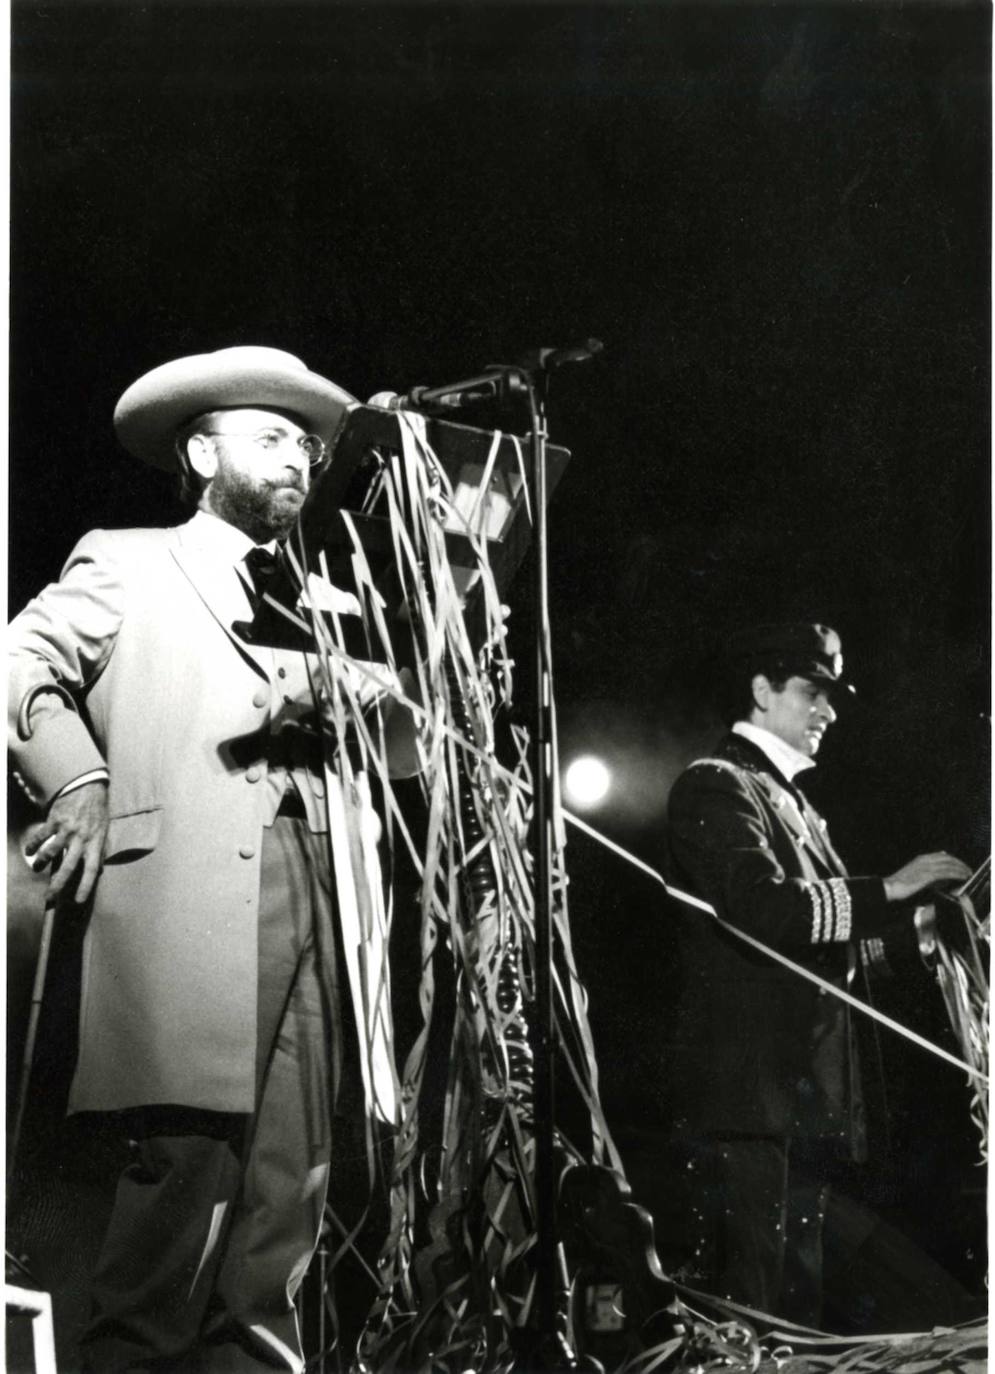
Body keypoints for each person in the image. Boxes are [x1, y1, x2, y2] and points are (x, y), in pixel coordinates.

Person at [8, 345, 419, 1372]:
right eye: (272, 437)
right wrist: (75, 779)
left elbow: (411, 749)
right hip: (191, 928)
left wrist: (400, 691)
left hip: (326, 910)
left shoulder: (330, 604)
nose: (298, 459)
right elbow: (17, 663)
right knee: (172, 1224)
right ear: (201, 451)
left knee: (283, 1221)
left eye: (307, 447)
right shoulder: (128, 559)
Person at [664, 622, 969, 1327]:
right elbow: (763, 911)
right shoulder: (716, 785)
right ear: (760, 690)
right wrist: (891, 889)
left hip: (800, 1107)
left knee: (797, 1308)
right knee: (757, 1308)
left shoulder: (797, 808)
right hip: (747, 1107)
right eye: (813, 692)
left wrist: (920, 935)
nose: (828, 713)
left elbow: (826, 950)